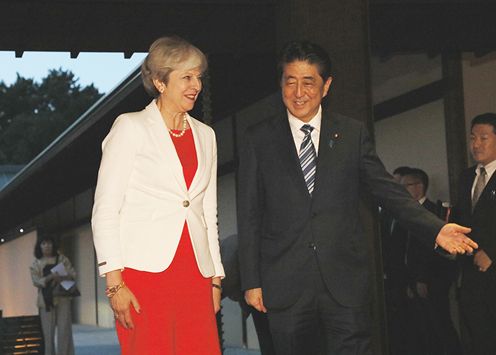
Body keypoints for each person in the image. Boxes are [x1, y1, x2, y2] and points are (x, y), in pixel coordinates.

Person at [236, 40, 477, 355]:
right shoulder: (259, 139)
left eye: (308, 82)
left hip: (344, 285)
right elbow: (249, 214)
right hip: (285, 286)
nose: (298, 92)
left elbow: (387, 189)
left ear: (326, 86)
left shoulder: (351, 134)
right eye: (290, 81)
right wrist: (251, 281)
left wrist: (435, 228)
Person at [92, 36, 225, 354]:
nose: (196, 85)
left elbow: (208, 213)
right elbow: (106, 209)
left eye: (198, 77)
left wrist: (216, 278)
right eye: (186, 77)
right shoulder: (130, 127)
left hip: (195, 275)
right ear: (159, 82)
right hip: (144, 277)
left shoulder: (206, 136)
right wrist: (115, 284)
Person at [400, 168, 461, 355]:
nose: (402, 190)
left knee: (439, 323)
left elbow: (430, 251)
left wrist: (422, 279)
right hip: (413, 277)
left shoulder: (432, 211)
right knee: (423, 326)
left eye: (405, 186)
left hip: (433, 279)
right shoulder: (407, 212)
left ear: (419, 186)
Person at [453, 112, 496, 355]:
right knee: (479, 338)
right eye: (472, 138)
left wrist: (492, 252)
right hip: (470, 276)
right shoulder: (466, 176)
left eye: (483, 138)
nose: (476, 144)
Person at [30, 234, 76, 355]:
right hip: (45, 300)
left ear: (53, 244)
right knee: (48, 334)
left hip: (63, 298)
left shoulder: (62, 259)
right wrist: (50, 277)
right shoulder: (36, 263)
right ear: (39, 246)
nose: (47, 246)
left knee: (64, 332)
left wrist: (60, 276)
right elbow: (36, 281)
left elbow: (72, 274)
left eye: (49, 243)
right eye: (44, 243)